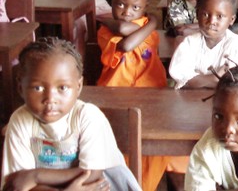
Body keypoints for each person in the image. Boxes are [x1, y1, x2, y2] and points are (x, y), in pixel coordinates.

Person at [1, 37, 140, 190]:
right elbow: (18, 184)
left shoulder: (88, 116)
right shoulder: (20, 121)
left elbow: (92, 175)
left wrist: (35, 176)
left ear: (78, 86)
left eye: (62, 88)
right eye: (38, 88)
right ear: (20, 87)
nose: (50, 99)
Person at [169, 0, 238, 90]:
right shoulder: (190, 43)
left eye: (219, 16)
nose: (212, 21)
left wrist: (197, 80)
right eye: (206, 14)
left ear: (231, 20)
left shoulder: (236, 45)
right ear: (197, 14)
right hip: (190, 98)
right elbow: (183, 80)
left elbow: (236, 83)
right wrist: (214, 79)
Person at [96, 0, 166, 88]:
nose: (127, 12)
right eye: (121, 4)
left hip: (150, 88)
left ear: (145, 7)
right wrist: (153, 22)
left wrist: (151, 23)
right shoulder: (104, 31)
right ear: (111, 1)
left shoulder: (145, 23)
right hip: (115, 89)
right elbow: (125, 43)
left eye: (136, 7)